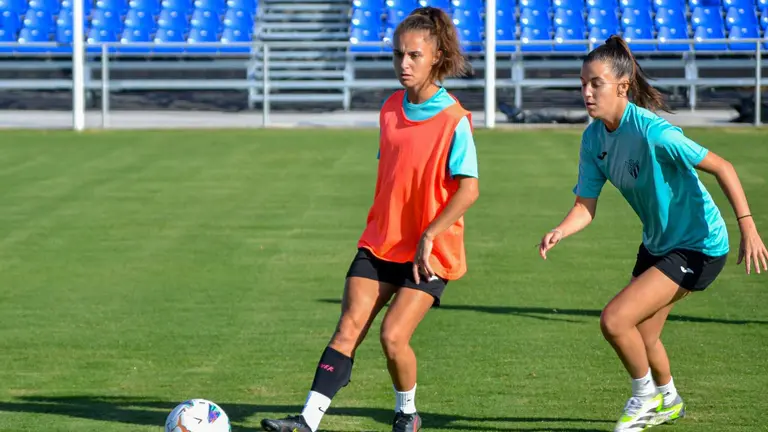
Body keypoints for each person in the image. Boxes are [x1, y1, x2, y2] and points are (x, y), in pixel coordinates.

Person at [260, 6, 480, 432]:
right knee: (348, 328)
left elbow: (469, 190)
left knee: (393, 337)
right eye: (398, 54)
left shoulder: (454, 120)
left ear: (436, 56)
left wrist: (430, 234)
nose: (404, 63)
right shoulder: (389, 109)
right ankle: (307, 421)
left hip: (429, 251)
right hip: (381, 241)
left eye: (414, 55)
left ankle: (407, 414)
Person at [538, 35, 768, 432]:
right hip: (659, 243)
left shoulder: (653, 132)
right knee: (643, 336)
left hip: (700, 245)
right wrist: (561, 229)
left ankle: (645, 397)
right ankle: (669, 399)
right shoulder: (593, 138)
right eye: (582, 83)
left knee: (614, 320)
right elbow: (584, 207)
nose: (587, 92)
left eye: (596, 83)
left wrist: (747, 226)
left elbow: (723, 166)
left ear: (622, 87)